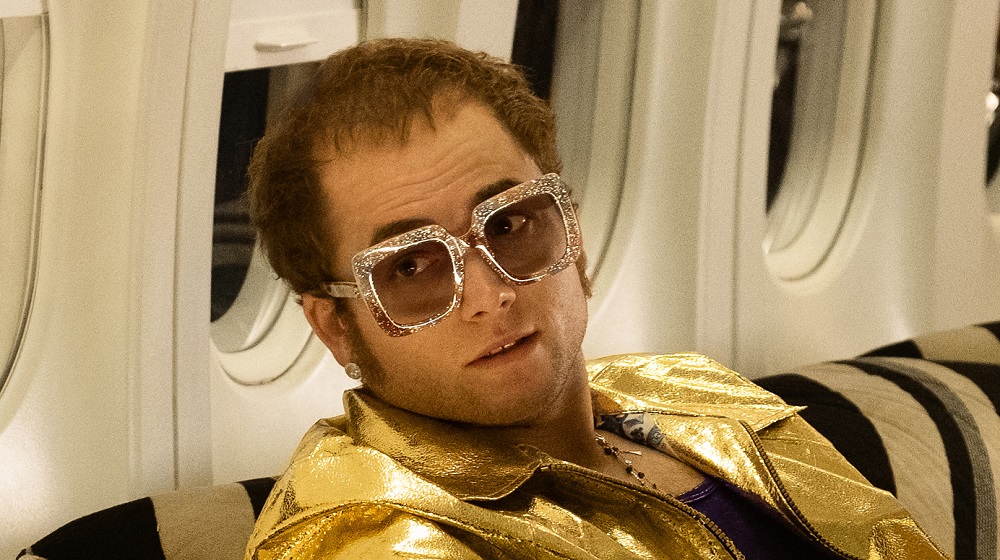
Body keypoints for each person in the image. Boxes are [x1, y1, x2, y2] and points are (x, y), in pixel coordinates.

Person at [243, 38, 946, 559]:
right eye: (410, 269)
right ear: (337, 328)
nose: (489, 295)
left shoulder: (690, 389)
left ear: (571, 229)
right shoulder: (370, 535)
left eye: (509, 225)